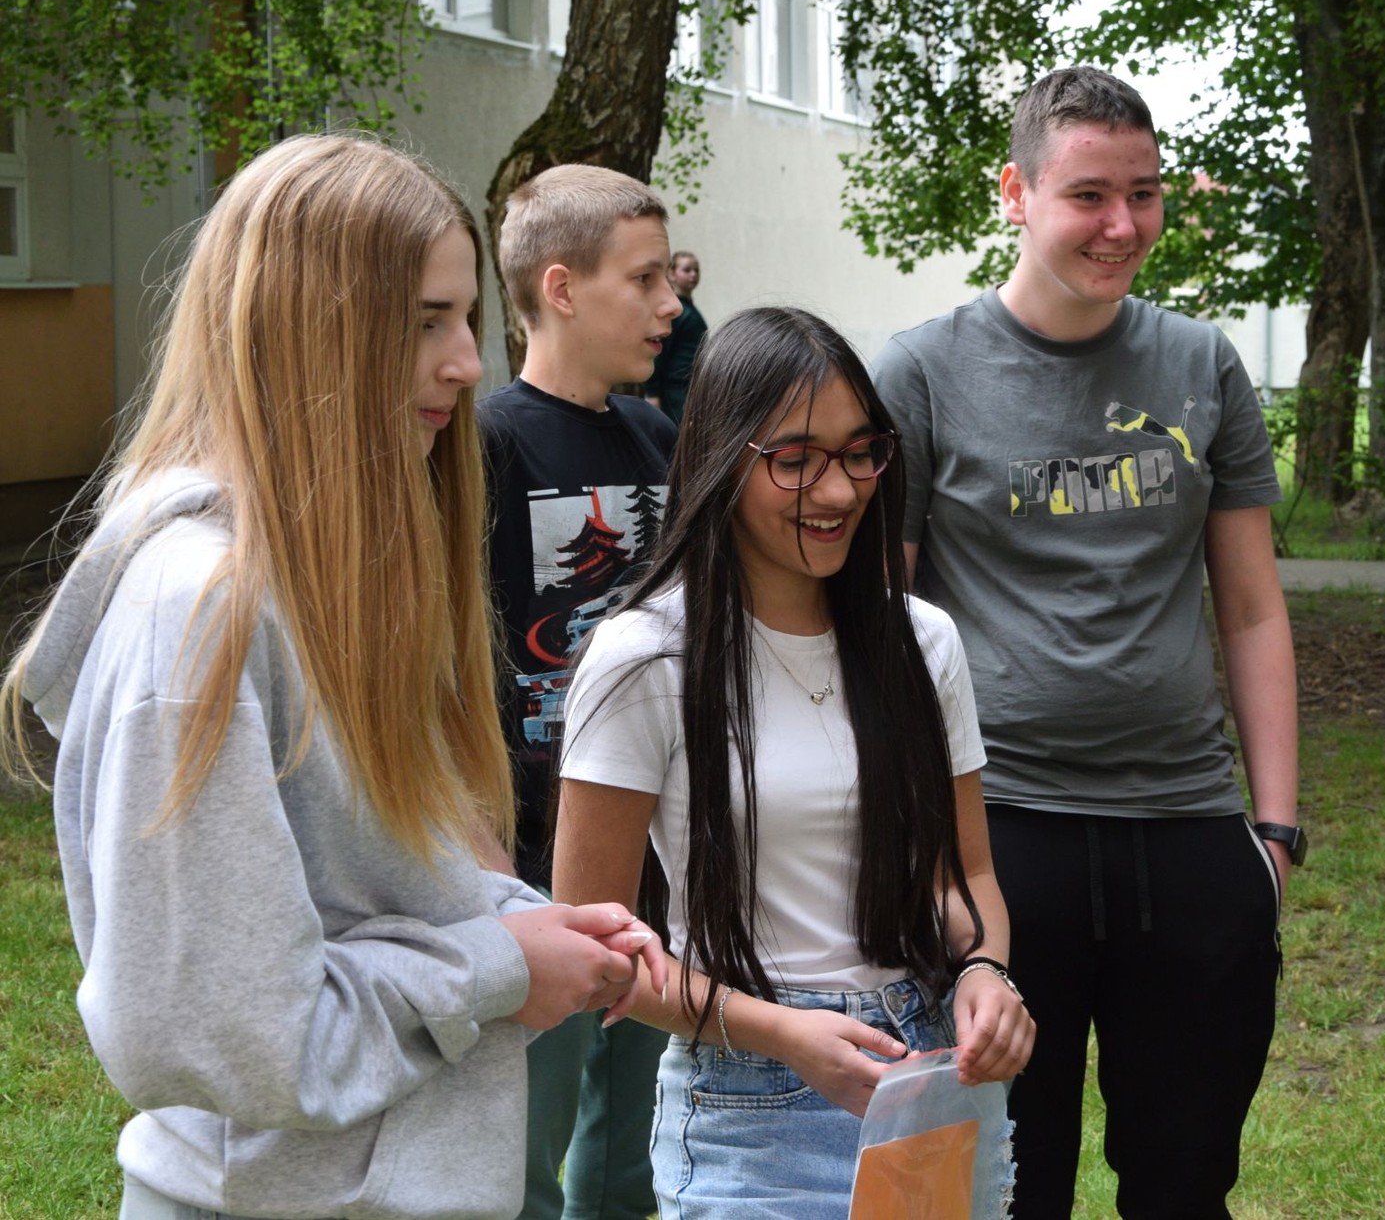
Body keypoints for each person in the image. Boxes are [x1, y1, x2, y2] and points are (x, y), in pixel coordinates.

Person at [0, 132, 662, 1220]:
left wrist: (526, 920)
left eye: (465, 319)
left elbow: (377, 886)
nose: (468, 364)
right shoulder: (199, 611)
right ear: (309, 329)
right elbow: (231, 1033)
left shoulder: (338, 578)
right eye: (425, 322)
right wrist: (497, 965)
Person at [872, 66, 1301, 1219]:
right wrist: (918, 846)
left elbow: (1251, 606)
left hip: (1187, 829)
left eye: (1143, 194)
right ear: (1014, 193)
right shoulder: (919, 373)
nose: (1122, 224)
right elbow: (879, 625)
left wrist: (1271, 830)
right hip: (1002, 835)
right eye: (1088, 195)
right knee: (1012, 1190)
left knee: (1183, 1186)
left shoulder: (1201, 363)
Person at [552, 306, 1035, 1218]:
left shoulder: (922, 641)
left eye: (859, 452)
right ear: (722, 460)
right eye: (797, 458)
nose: (840, 489)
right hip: (750, 1101)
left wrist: (985, 973)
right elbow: (593, 947)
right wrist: (780, 1031)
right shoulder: (645, 656)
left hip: (927, 1076)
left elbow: (964, 874)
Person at [480, 164, 684, 1220]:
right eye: (644, 279)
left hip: (654, 845)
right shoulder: (484, 442)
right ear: (560, 288)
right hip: (525, 855)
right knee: (524, 1143)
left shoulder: (659, 439)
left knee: (631, 1151)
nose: (671, 303)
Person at [646, 251, 708, 425]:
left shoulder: (689, 310)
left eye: (696, 270)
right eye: (687, 270)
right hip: (673, 392)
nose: (693, 274)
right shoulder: (674, 312)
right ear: (672, 274)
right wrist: (652, 393)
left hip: (690, 389)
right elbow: (658, 352)